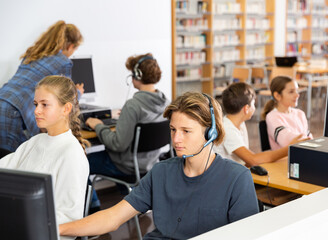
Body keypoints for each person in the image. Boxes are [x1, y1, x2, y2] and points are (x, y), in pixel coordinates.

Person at [59, 92, 259, 239]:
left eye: (186, 131)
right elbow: (113, 217)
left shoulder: (236, 178)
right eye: (173, 129)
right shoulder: (162, 171)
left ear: (211, 133)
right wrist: (59, 229)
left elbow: (248, 235)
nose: (176, 139)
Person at [0, 76, 89, 240]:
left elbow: (70, 217)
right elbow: (4, 169)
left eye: (44, 105)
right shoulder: (36, 142)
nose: (36, 110)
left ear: (66, 109)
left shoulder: (72, 154)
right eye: (35, 104)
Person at [85, 53, 169, 210]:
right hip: (150, 163)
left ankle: (93, 208)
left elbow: (118, 145)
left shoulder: (133, 106)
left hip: (127, 166)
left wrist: (98, 125)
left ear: (136, 76)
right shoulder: (166, 103)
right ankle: (132, 201)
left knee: (82, 162)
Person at [0, 20, 83, 152]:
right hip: (15, 110)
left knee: (5, 161)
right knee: (14, 165)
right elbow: (65, 94)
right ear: (70, 46)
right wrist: (78, 92)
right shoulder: (63, 62)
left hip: (3, 99)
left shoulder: (33, 54)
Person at [214, 82, 307, 167]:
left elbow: (247, 159)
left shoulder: (240, 123)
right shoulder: (227, 129)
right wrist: (290, 149)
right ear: (246, 108)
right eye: (253, 103)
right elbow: (252, 160)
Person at [262, 76, 313, 150]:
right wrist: (307, 140)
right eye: (291, 92)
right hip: (284, 160)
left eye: (297, 91)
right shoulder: (272, 116)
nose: (297, 95)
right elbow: (287, 141)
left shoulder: (300, 114)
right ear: (277, 96)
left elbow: (310, 139)